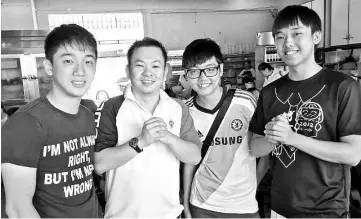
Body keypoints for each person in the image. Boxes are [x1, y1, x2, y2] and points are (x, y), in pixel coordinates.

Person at [248, 5, 361, 218]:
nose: (287, 43)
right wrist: (273, 138)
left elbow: (353, 154)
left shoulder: (343, 87)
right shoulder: (270, 91)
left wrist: (291, 137)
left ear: (316, 36)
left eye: (297, 34)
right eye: (280, 37)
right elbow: (255, 148)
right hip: (280, 206)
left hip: (327, 210)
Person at [94, 37, 201, 218]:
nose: (148, 72)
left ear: (166, 71)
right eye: (140, 65)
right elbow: (100, 164)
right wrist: (140, 142)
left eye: (155, 66)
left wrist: (167, 136)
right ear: (128, 71)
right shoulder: (111, 107)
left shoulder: (178, 107)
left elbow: (194, 156)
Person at [1, 24, 101, 218]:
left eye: (88, 61)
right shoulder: (25, 124)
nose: (80, 71)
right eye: (68, 61)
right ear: (48, 67)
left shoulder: (88, 115)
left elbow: (83, 180)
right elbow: (18, 209)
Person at [182, 38, 260, 218]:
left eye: (210, 69)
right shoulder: (185, 112)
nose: (203, 78)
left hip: (244, 206)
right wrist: (186, 205)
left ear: (221, 69)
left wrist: (252, 186)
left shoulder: (246, 102)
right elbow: (189, 162)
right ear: (186, 75)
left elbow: (259, 148)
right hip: (202, 205)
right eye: (194, 72)